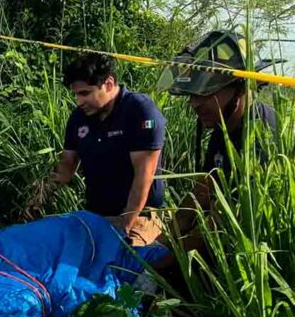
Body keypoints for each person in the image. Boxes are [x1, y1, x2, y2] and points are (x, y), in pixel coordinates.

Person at [160, 30, 278, 240]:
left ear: (240, 88)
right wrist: (163, 240)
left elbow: (228, 218)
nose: (195, 104)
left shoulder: (261, 134)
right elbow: (205, 186)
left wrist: (168, 258)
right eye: (192, 95)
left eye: (206, 93)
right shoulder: (223, 124)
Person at [52, 53, 167, 246]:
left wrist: (124, 228)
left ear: (109, 84)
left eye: (85, 93)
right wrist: (41, 195)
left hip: (139, 217)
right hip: (95, 217)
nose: (79, 101)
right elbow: (66, 167)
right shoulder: (79, 117)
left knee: (122, 263)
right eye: (76, 94)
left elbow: (143, 179)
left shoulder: (139, 111)